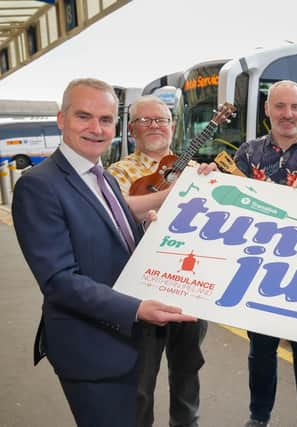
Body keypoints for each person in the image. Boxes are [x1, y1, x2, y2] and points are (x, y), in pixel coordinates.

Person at [11, 78, 198, 427]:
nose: (96, 129)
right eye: (84, 116)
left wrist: (144, 231)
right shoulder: (38, 186)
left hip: (124, 339)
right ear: (61, 119)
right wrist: (138, 308)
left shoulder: (102, 176)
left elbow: (114, 240)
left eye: (106, 119)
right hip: (91, 350)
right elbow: (59, 281)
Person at [233, 80, 297, 427]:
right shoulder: (247, 153)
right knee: (260, 350)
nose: (288, 114)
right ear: (267, 109)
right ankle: (258, 417)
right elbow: (233, 207)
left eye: (295, 107)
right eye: (280, 106)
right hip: (259, 267)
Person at [108, 95, 208, 427]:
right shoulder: (117, 172)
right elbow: (117, 216)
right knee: (139, 382)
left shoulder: (195, 169)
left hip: (188, 288)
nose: (155, 126)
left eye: (161, 120)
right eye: (146, 120)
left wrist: (216, 184)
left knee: (187, 375)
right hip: (142, 290)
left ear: (173, 126)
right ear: (132, 129)